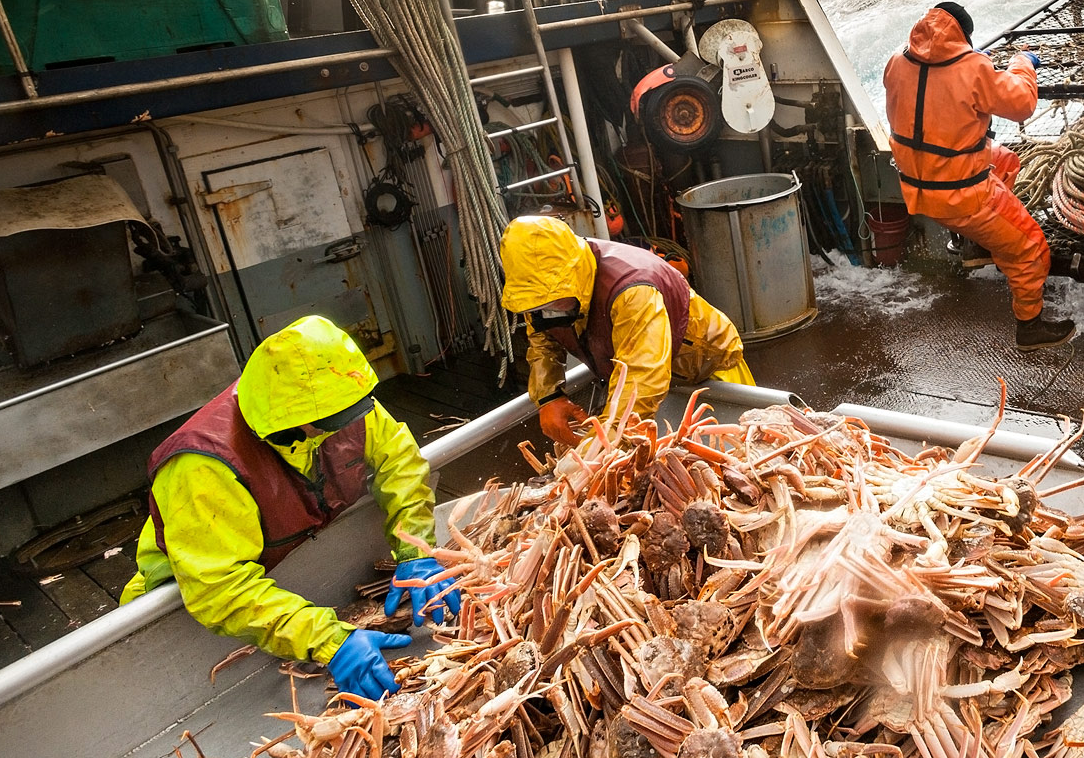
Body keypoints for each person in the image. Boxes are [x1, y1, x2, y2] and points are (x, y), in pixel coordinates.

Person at [122, 316, 457, 702]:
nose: (349, 425)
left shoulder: (342, 402)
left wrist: (414, 550)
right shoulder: (202, 465)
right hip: (190, 607)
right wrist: (331, 641)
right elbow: (220, 590)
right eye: (331, 423)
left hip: (282, 577)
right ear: (290, 421)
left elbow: (400, 465)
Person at [881, 2, 1074, 351]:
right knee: (1031, 248)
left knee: (1006, 161)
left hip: (916, 186)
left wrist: (976, 64)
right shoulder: (973, 68)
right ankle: (1030, 327)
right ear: (962, 37)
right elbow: (1022, 104)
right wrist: (1022, 64)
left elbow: (933, 90)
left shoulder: (897, 60)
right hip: (964, 196)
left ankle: (975, 241)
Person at [500, 216, 754, 443]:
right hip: (638, 384)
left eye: (554, 300)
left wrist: (600, 446)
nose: (549, 309)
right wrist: (549, 398)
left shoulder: (633, 290)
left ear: (576, 273)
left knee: (745, 449)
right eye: (540, 304)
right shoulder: (538, 298)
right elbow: (543, 339)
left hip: (707, 371)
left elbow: (643, 376)